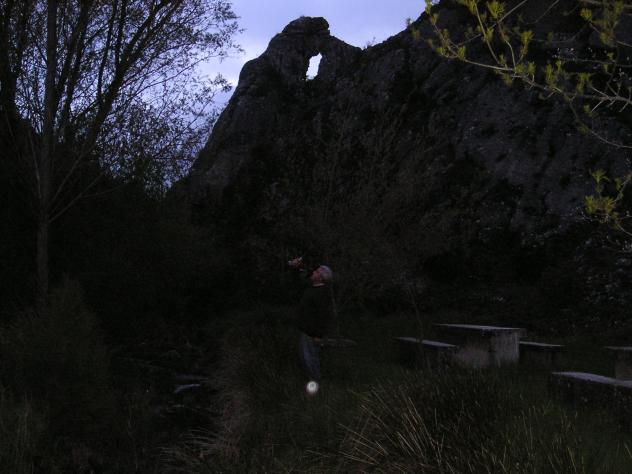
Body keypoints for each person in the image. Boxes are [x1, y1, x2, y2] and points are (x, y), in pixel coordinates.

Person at [288, 257, 334, 395]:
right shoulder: (312, 287)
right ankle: (314, 384)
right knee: (306, 358)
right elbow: (298, 282)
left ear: (321, 278)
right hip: (306, 330)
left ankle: (316, 387)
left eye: (317, 271)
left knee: (310, 359)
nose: (313, 272)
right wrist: (296, 268)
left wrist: (318, 335)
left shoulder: (322, 292)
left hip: (312, 333)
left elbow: (324, 315)